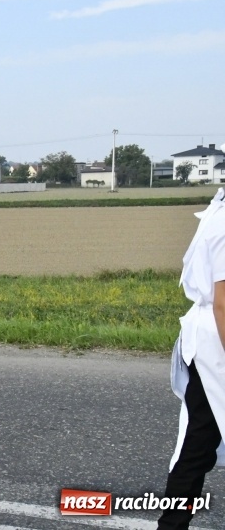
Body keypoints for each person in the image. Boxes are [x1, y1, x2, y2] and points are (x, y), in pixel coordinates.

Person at [158, 182, 225, 529]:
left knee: (198, 441)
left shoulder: (218, 212)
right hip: (216, 343)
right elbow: (223, 302)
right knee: (198, 442)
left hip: (204, 339)